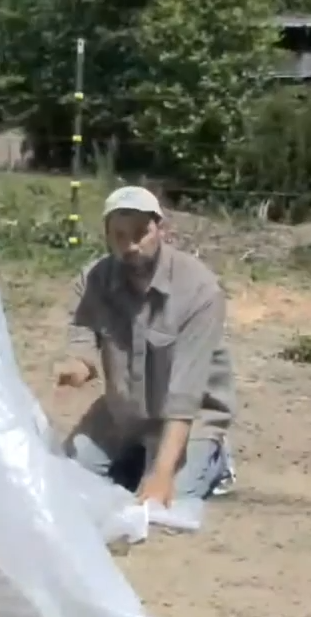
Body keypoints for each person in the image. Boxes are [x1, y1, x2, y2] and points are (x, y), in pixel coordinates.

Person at [55, 185, 237, 506]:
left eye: (141, 233)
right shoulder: (94, 278)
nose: (131, 245)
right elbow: (83, 332)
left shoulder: (199, 291)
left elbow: (186, 394)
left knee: (161, 505)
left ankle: (214, 458)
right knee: (64, 482)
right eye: (120, 235)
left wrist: (164, 474)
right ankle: (138, 459)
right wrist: (78, 365)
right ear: (107, 235)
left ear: (161, 229)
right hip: (123, 414)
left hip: (187, 419)